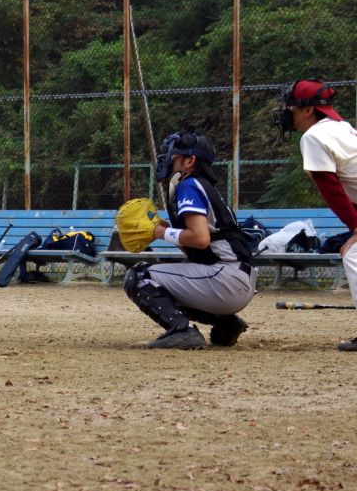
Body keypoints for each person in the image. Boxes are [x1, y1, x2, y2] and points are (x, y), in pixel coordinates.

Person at [123, 131, 258, 349]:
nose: (168, 160)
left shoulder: (189, 184)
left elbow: (200, 239)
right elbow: (200, 248)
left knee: (138, 276)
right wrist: (167, 229)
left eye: (174, 157)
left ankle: (182, 331)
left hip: (226, 278)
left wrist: (159, 232)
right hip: (234, 279)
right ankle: (226, 324)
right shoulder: (201, 185)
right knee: (165, 287)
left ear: (190, 161)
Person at [274, 78, 357, 351]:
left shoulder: (314, 136)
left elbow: (332, 189)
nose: (287, 111)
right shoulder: (342, 128)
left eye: (292, 106)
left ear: (309, 110)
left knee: (354, 255)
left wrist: (356, 228)